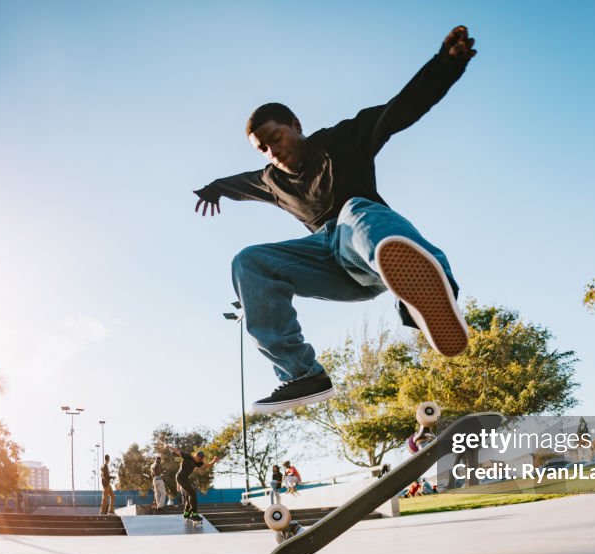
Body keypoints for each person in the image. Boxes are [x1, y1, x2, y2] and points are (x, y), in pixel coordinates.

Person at [194, 26, 478, 414]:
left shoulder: (342, 140)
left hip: (367, 244)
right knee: (249, 261)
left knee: (354, 210)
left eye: (275, 138)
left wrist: (447, 65)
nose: (272, 151)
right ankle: (302, 374)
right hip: (328, 266)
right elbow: (238, 183)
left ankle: (426, 296)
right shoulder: (271, 181)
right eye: (263, 148)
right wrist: (214, 188)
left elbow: (401, 109)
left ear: (295, 124)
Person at [168, 446, 206, 520]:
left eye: (202, 459)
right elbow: (177, 451)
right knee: (192, 494)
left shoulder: (197, 463)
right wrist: (168, 447)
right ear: (196, 456)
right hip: (180, 478)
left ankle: (186, 513)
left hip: (185, 479)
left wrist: (214, 461)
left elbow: (206, 466)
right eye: (200, 458)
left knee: (189, 496)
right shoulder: (188, 457)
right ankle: (194, 514)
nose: (201, 460)